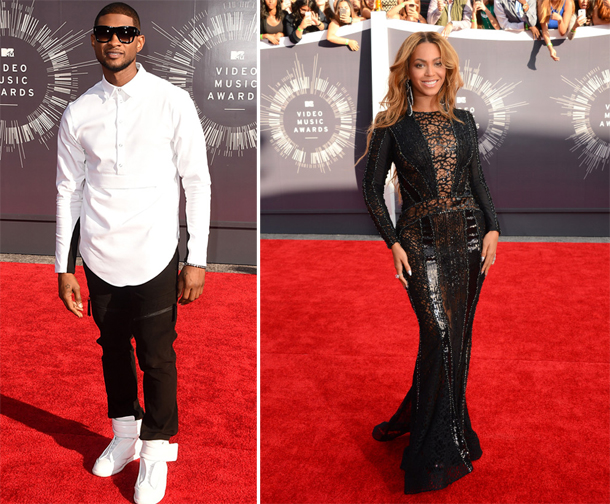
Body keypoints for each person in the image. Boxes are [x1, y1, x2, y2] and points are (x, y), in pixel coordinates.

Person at [55, 3, 211, 504]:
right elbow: (67, 191)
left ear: (140, 41)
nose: (115, 41)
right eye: (105, 33)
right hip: (99, 254)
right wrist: (64, 265)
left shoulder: (172, 100)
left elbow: (197, 182)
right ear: (94, 41)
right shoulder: (78, 112)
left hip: (158, 252)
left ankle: (157, 450)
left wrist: (198, 257)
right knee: (112, 349)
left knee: (158, 357)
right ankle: (125, 436)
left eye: (125, 33)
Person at [361, 31, 500, 494]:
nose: (430, 73)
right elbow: (371, 189)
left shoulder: (464, 120)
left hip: (469, 238)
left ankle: (435, 423)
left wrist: (495, 227)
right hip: (419, 242)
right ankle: (430, 446)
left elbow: (477, 179)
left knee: (457, 339)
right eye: (420, 64)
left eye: (437, 64)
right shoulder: (390, 126)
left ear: (448, 70)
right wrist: (392, 243)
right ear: (407, 71)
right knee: (438, 332)